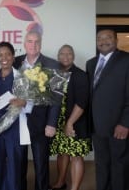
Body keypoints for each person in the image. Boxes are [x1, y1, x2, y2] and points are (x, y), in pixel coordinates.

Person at [13, 30, 61, 190]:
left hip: (41, 122)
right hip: (18, 120)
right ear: (24, 43)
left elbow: (57, 96)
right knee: (19, 162)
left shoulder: (52, 64)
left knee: (41, 163)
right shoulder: (15, 62)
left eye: (37, 42)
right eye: (30, 41)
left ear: (41, 44)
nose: (33, 45)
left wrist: (51, 123)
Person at [86, 29, 129, 190]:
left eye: (108, 37)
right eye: (99, 38)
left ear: (116, 40)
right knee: (101, 164)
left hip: (118, 126)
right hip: (97, 127)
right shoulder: (91, 63)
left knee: (120, 166)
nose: (103, 41)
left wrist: (125, 123)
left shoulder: (126, 60)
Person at [49, 44, 92, 190]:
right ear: (58, 56)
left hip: (75, 122)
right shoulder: (56, 74)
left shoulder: (80, 75)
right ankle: (61, 182)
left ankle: (74, 188)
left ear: (73, 57)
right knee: (62, 153)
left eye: (69, 54)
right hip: (59, 121)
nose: (65, 57)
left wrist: (70, 123)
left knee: (76, 156)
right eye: (62, 54)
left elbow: (81, 103)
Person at [0, 42, 29, 190]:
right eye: (0, 55)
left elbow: (30, 103)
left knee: (14, 164)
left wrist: (22, 102)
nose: (4, 58)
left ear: (13, 57)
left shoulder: (21, 77)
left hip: (14, 127)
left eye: (7, 54)